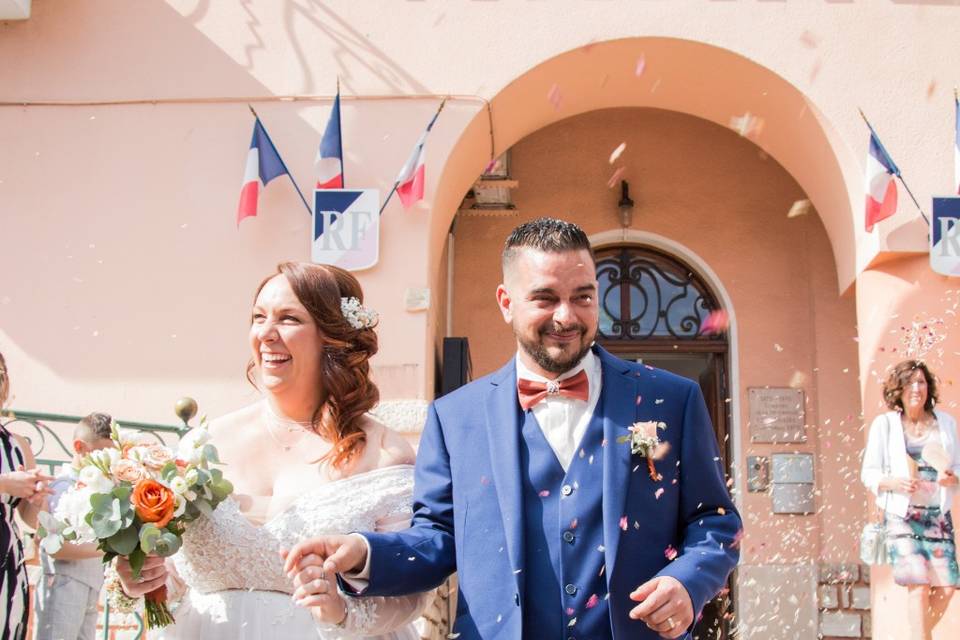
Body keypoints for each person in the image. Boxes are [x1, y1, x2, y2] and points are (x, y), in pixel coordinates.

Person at [285, 218, 742, 639]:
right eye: (545, 298)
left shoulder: (670, 399)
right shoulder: (454, 417)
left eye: (582, 296)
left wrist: (687, 581)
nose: (567, 316)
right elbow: (439, 539)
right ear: (506, 303)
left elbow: (715, 521)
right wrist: (366, 554)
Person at [114, 262, 431, 638]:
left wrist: (340, 610)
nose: (266, 333)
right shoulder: (205, 443)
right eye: (258, 317)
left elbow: (413, 590)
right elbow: (178, 578)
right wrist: (146, 579)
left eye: (289, 319)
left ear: (333, 337)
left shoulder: (383, 454)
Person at [861, 360, 960, 640]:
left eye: (922, 382)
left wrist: (953, 478)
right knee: (918, 585)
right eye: (910, 383)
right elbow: (869, 473)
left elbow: (958, 465)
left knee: (947, 587)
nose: (917, 388)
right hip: (902, 517)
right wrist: (894, 482)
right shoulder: (886, 425)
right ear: (899, 390)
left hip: (937, 517)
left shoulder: (946, 423)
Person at [34, 412, 114, 640]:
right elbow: (53, 546)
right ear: (79, 447)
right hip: (63, 583)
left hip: (90, 585)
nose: (108, 460)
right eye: (102, 452)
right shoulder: (62, 487)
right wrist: (106, 548)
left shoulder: (100, 488)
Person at [0, 350, 53, 640]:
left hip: (5, 564)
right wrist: (5, 484)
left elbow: (30, 520)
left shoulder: (16, 445)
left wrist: (36, 499)